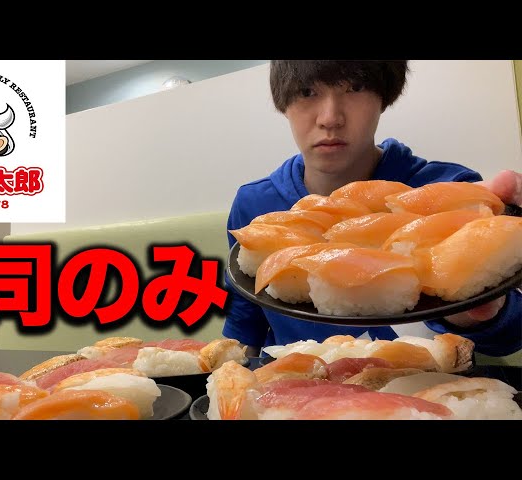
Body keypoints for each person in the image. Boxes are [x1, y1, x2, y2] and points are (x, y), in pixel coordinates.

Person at [223, 60, 522, 358]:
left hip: (426, 383)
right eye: (307, 92)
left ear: (384, 95)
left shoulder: (452, 193)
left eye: (355, 87)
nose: (330, 118)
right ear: (283, 103)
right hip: (294, 380)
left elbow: (511, 334)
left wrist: (476, 312)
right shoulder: (255, 207)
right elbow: (244, 323)